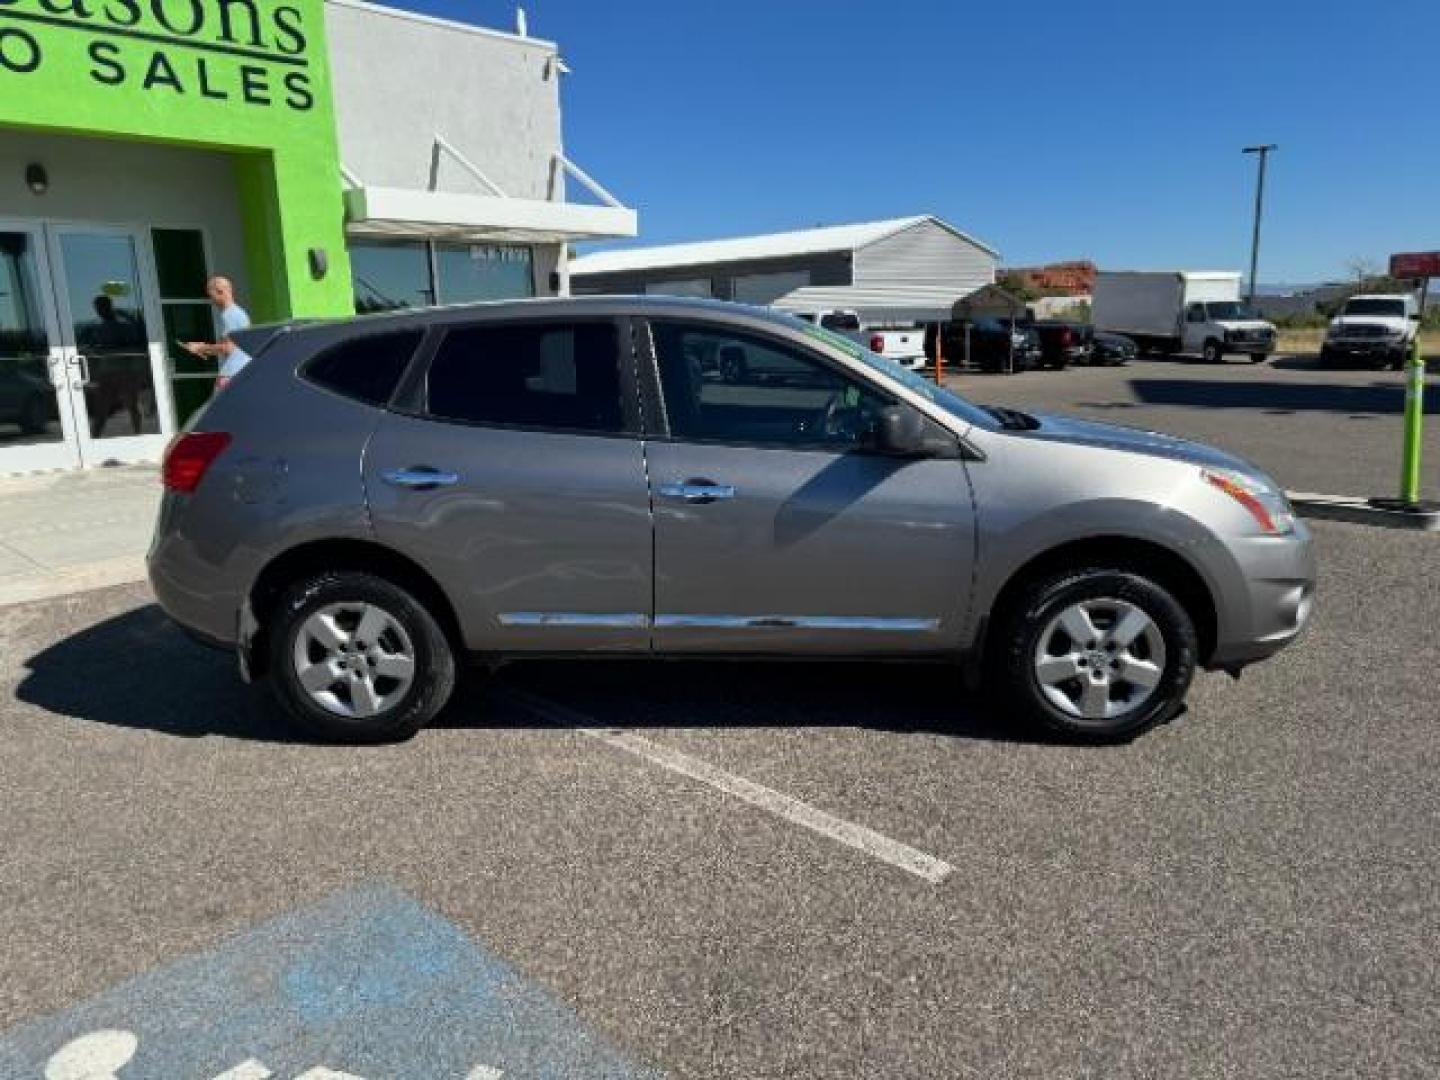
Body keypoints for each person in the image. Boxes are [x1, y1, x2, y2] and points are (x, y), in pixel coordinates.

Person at [182, 275, 251, 388]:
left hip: (233, 373)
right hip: (238, 372)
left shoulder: (231, 315)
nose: (211, 299)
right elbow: (230, 347)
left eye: (211, 295)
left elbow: (228, 348)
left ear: (220, 291)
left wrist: (201, 348)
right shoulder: (235, 313)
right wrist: (202, 347)